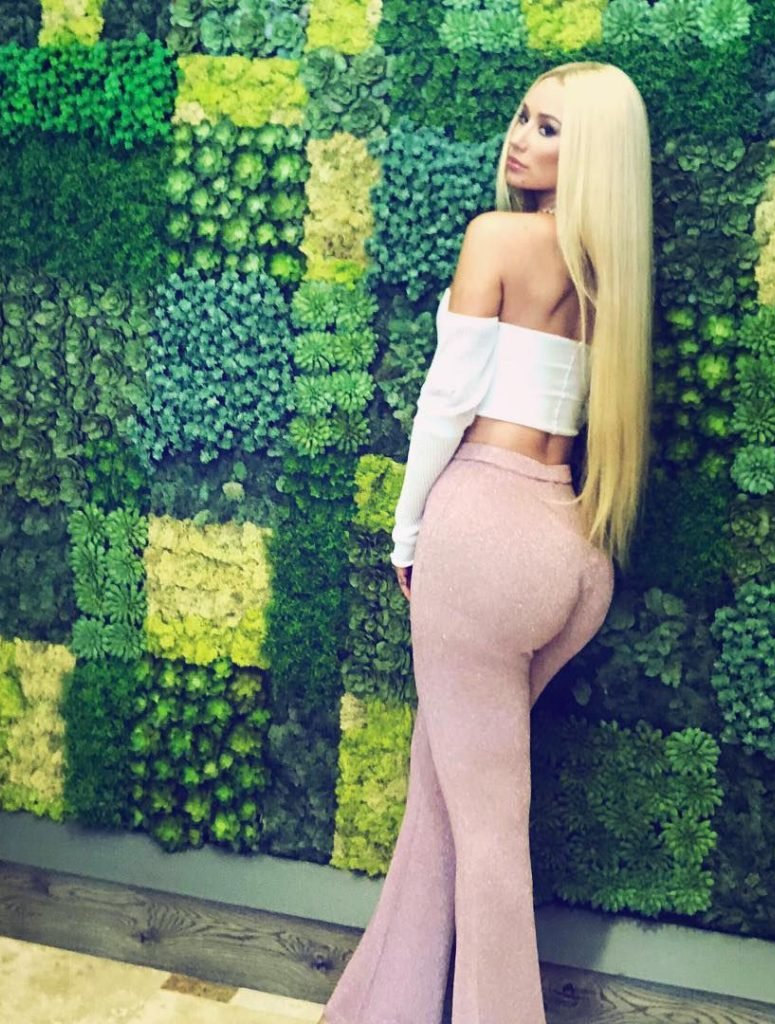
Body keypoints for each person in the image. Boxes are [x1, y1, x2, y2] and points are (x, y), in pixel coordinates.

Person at [321, 61, 653, 1024]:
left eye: (550, 129)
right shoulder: (613, 273)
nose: (520, 138)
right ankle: (384, 1009)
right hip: (572, 549)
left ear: (590, 157)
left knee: (489, 838)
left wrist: (408, 531)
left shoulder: (498, 238)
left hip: (484, 537)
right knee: (440, 801)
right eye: (522, 117)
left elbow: (447, 401)